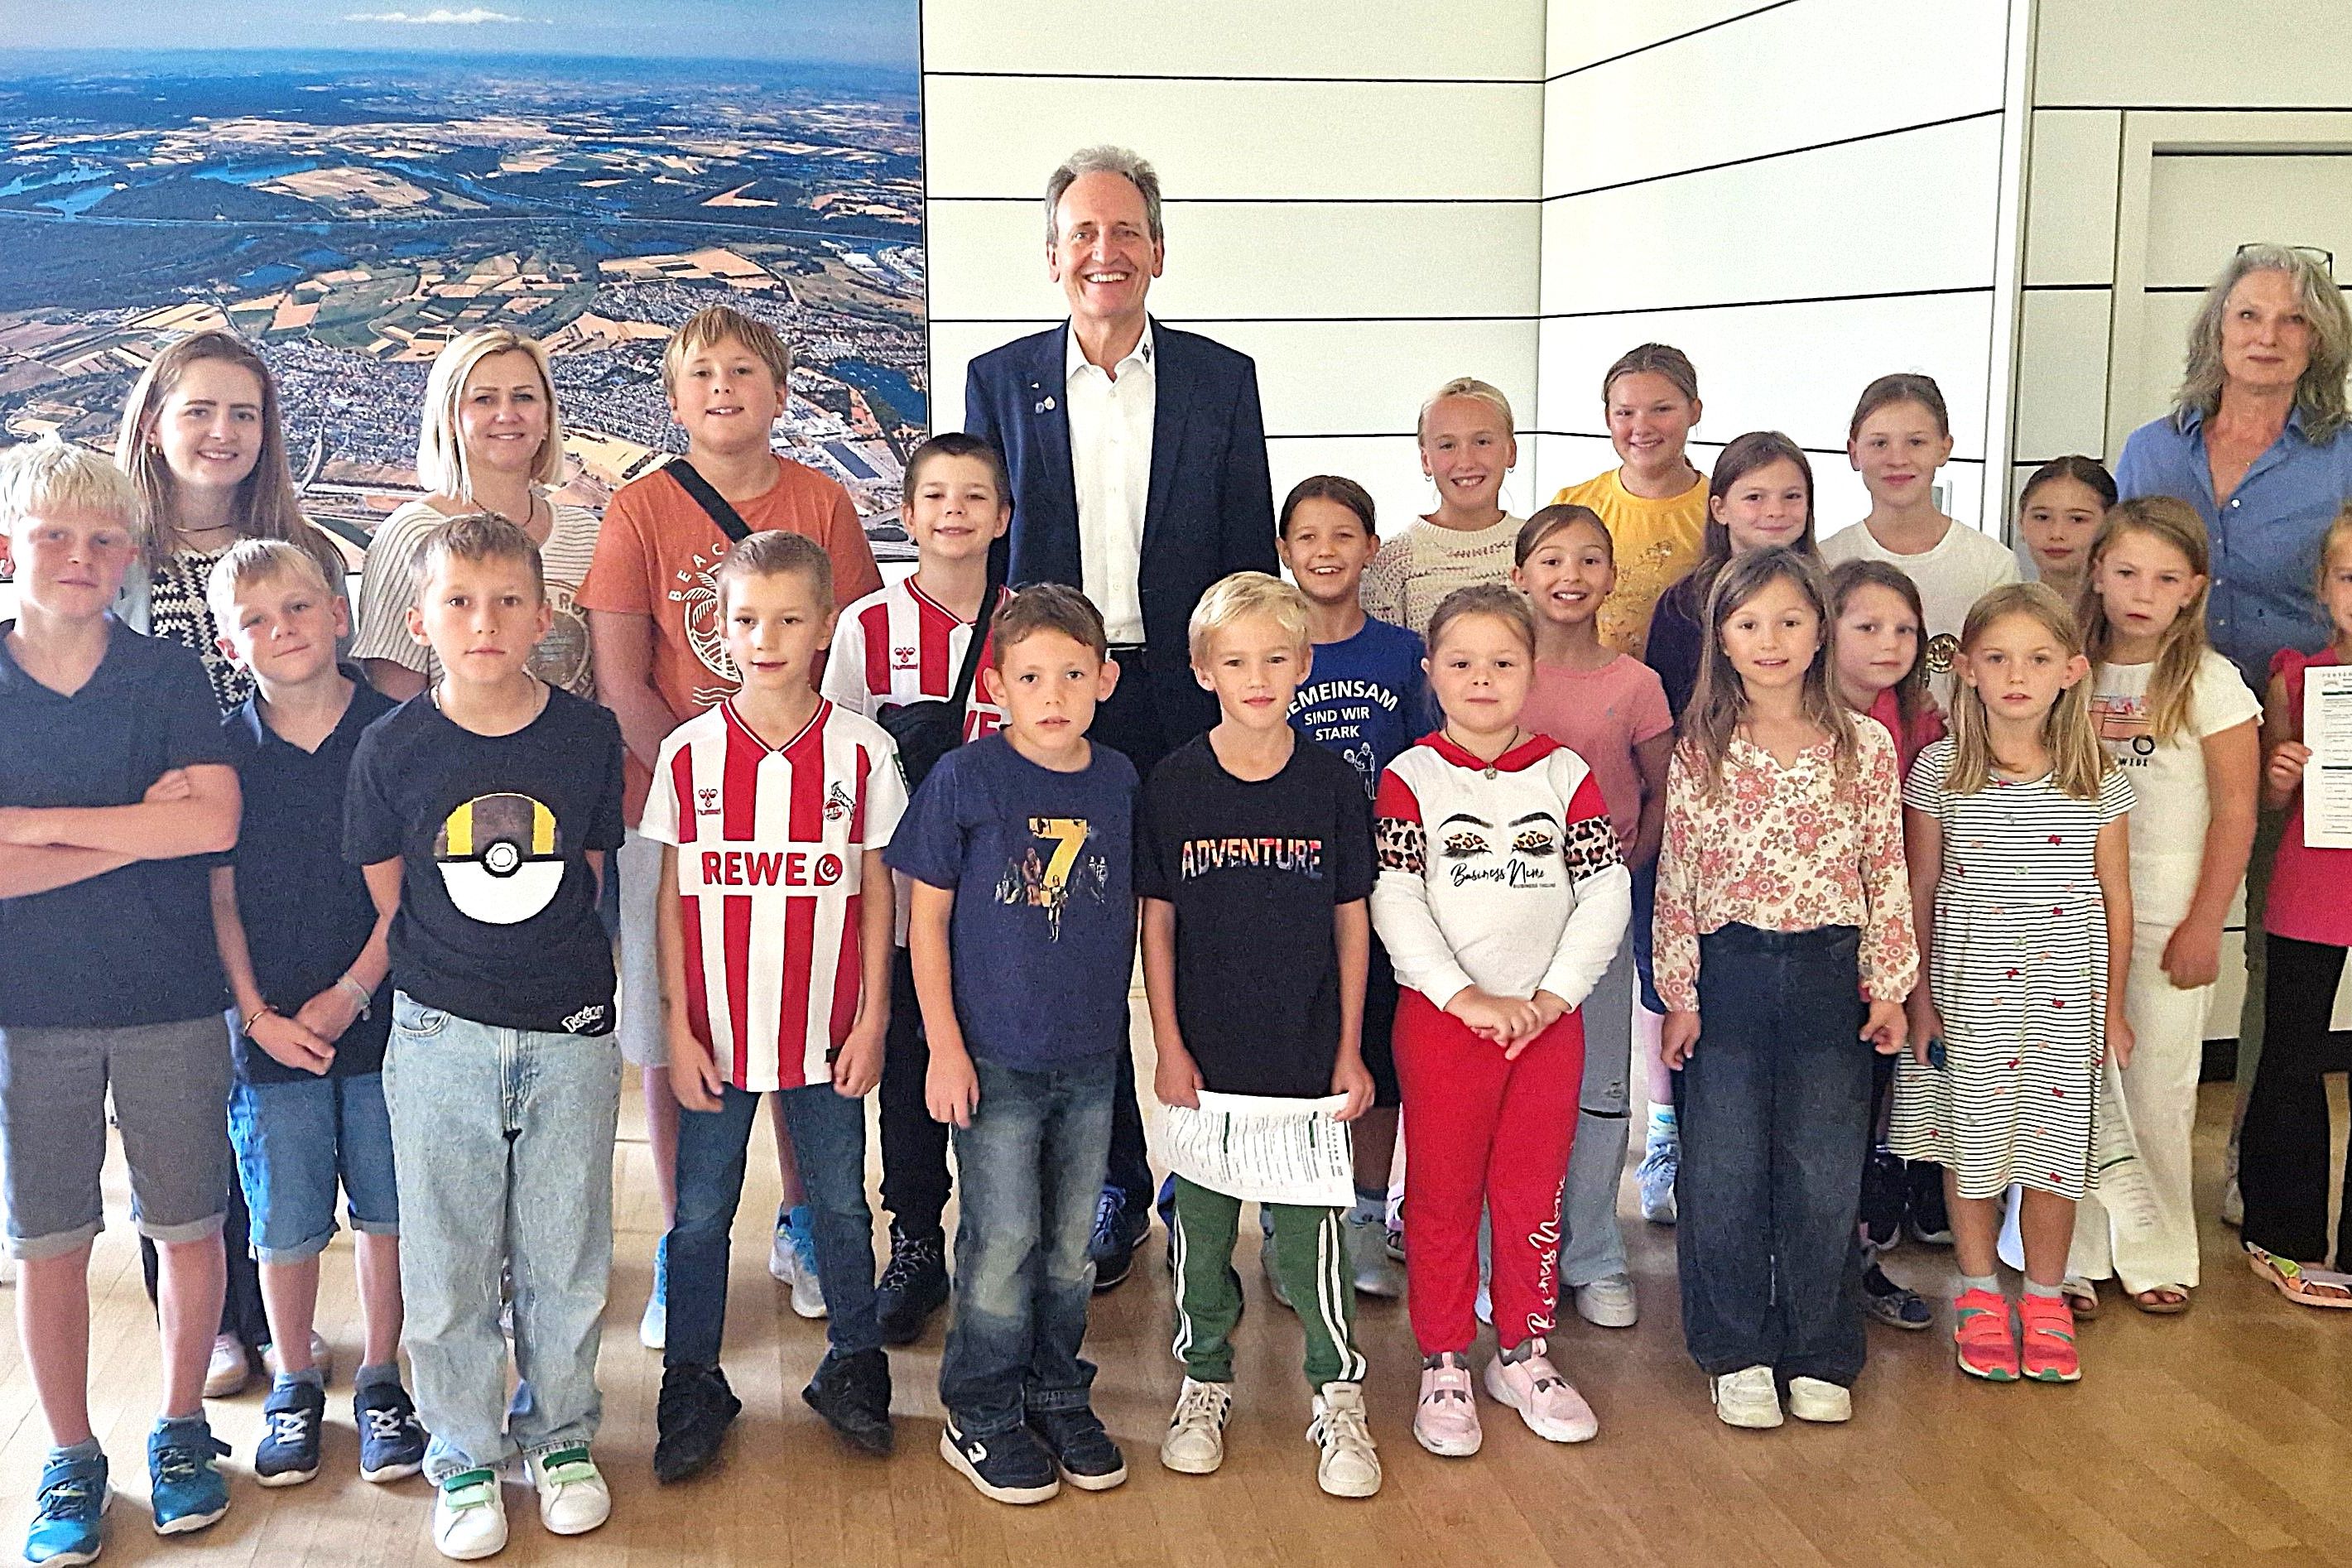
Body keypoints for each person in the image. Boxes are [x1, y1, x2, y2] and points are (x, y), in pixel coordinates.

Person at [963, 145, 1277, 1287]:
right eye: (1083, 234)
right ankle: (1114, 1179)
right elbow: (987, 556)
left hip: (1182, 693)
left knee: (1198, 938)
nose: (1106, 252)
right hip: (1056, 706)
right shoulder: (1000, 379)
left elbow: (1250, 550)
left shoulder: (1219, 377)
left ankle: (1213, 1177)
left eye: (1126, 231)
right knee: (1077, 934)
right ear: (1053, 258)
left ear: (1158, 247)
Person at [579, 304, 883, 1346]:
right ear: (673, 398)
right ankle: (683, 1238)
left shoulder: (823, 500)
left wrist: (780, 783)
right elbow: (622, 680)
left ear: (779, 390)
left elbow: (848, 660)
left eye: (743, 369)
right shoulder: (638, 510)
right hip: (676, 811)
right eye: (700, 372)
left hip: (810, 814)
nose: (722, 387)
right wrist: (717, 787)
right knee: (681, 1028)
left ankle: (805, 1223)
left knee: (803, 1013)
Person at [347, 515, 627, 1558]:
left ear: (544, 616)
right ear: (419, 621)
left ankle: (559, 1436)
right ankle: (463, 1451)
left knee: (566, 1253)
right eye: (459, 601)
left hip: (568, 1034)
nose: (484, 621)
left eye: (509, 599)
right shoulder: (393, 746)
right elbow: (393, 891)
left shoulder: (587, 736)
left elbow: (588, 871)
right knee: (450, 1257)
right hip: (439, 1035)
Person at [0, 439, 243, 1562]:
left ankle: (182, 1423)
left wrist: (40, 828)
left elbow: (210, 826)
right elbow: (163, 829)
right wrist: (124, 830)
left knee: (186, 1226)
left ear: (131, 554)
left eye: (103, 539)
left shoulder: (166, 676)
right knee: (51, 1242)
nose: (79, 556)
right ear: (11, 545)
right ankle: (70, 1450)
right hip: (27, 1008)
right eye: (55, 535)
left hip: (169, 995)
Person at [646, 532, 907, 1483]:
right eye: (747, 618)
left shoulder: (862, 749)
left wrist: (875, 1014)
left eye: (790, 618)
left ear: (824, 626)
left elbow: (878, 890)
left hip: (828, 1032)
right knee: (701, 1214)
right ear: (720, 626)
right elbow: (672, 899)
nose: (767, 637)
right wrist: (674, 1025)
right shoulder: (689, 753)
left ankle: (854, 1361)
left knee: (840, 1204)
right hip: (715, 1037)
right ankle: (692, 1378)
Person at [115, 326, 343, 1392]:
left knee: (259, 1082)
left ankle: (266, 1311)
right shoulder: (108, 553)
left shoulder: (304, 548)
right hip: (145, 863)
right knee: (175, 1097)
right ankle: (199, 1320)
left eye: (244, 414)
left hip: (270, 855)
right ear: (155, 422)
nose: (221, 432)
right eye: (199, 409)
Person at [2114, 243, 2352, 1224]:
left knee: (2277, 957)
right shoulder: (2153, 448)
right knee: (2132, 933)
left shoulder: (2343, 452)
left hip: (2301, 741)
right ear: (2217, 328)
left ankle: (2256, 1159)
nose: (2268, 337)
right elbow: (2117, 571)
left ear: (2319, 340)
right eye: (2250, 316)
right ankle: (2112, 1163)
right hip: (2159, 737)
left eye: (2292, 321)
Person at [1653, 549, 1916, 1431]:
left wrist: (1888, 983)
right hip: (1727, 971)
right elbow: (1679, 875)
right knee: (1724, 1167)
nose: (1771, 641)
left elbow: (1886, 867)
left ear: (1821, 632)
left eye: (1791, 622)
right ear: (1722, 638)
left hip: (1829, 970)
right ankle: (1734, 1348)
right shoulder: (1701, 747)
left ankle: (1820, 1346)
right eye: (1750, 623)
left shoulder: (1865, 743)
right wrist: (1679, 993)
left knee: (1823, 1169)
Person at [887, 585, 1138, 1506]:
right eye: (1031, 676)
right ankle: (981, 1408)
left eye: (1074, 673)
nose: (1054, 692)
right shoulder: (966, 778)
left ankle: (1056, 1387)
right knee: (1001, 1240)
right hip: (991, 1055)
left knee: (1070, 1246)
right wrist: (943, 1048)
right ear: (996, 685)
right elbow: (928, 921)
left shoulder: (1117, 779)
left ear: (1106, 679)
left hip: (1088, 1058)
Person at [1371, 584, 1631, 1457]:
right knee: (1443, 1199)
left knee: (1531, 1195)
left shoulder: (1567, 775)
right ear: (1432, 673)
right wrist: (1463, 997)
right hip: (1446, 1026)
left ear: (1533, 670)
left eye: (1503, 662)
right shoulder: (1410, 777)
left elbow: (1604, 889)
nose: (1483, 679)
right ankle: (1445, 1357)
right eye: (1462, 662)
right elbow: (1397, 897)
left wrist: (1555, 995)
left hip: (1548, 1028)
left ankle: (1522, 1349)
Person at [1138, 572, 1383, 1498]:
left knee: (1312, 1237)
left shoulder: (1328, 784)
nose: (1257, 675)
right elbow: (1156, 921)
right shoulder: (1173, 782)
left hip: (1306, 1052)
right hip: (1205, 1056)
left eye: (1276, 659)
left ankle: (1338, 1390)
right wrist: (1167, 1041)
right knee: (1201, 1233)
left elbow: (1351, 921)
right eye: (1236, 660)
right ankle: (1205, 1377)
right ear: (1204, 670)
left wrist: (1351, 1045)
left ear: (1303, 667)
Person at [204, 540, 426, 1489]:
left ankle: (382, 1375)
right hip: (269, 1036)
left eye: (299, 609)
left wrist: (353, 993)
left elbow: (409, 892)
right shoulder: (220, 749)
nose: (281, 630)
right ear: (227, 641)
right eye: (256, 619)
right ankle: (294, 1375)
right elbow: (215, 898)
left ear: (340, 614)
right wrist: (256, 1015)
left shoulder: (396, 733)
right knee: (283, 1221)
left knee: (385, 1211)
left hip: (384, 1023)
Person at [1893, 584, 2135, 1385]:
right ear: (1966, 668)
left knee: (2051, 1154)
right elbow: (1920, 890)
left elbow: (2115, 896)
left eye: (2036, 659)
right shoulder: (1939, 769)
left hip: (2062, 993)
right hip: (1967, 990)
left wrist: (2114, 1008)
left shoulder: (2094, 772)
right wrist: (1919, 998)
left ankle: (2043, 1294)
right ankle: (1977, 1292)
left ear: (2071, 670)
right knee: (1973, 1148)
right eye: (1996, 659)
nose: (2016, 676)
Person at [2036, 500, 2256, 1316]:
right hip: (2067, 908)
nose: (2141, 592)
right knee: (2070, 1083)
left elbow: (2236, 810)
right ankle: (2071, 1254)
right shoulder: (2065, 667)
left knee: (2159, 1083)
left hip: (2169, 914)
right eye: (2126, 572)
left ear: (2194, 590)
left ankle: (2155, 1248)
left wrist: (2207, 922)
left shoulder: (2210, 681)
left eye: (2165, 579)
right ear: (2096, 572)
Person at [821, 431, 1012, 1344]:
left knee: (1001, 1067)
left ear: (1003, 517)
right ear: (906, 514)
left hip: (1006, 900)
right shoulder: (866, 625)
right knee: (907, 1070)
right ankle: (914, 1236)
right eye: (935, 496)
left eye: (975, 497)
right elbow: (838, 755)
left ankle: (998, 1238)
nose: (954, 512)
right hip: (900, 897)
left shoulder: (1032, 623)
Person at [1637, 430, 1821, 1227]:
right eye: (1753, 496)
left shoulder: (1829, 588)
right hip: (1707, 817)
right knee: (1678, 994)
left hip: (1807, 841)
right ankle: (1674, 1133)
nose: (1773, 511)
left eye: (1790, 496)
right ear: (1717, 509)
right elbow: (1667, 717)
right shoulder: (1683, 605)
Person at [1512, 504, 1671, 1329]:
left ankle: (1593, 1250)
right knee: (1515, 1086)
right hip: (1502, 916)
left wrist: (1618, 878)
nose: (1569, 576)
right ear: (1519, 577)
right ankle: (1515, 1252)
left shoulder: (1634, 684)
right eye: (1550, 560)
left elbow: (1656, 791)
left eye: (1588, 560)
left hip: (1599, 914)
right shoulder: (1501, 670)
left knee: (1601, 1084)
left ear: (1612, 577)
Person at [1273, 475, 1422, 1293]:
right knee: (1293, 1052)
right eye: (1307, 536)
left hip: (1384, 893)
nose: (1325, 551)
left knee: (1376, 1059)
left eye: (1342, 535)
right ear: (1284, 550)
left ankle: (1367, 1210)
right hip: (1289, 894)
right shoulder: (1268, 649)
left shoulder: (1403, 655)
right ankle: (1293, 1213)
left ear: (1372, 547)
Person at [1824, 557, 1946, 1332]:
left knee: (1872, 1107)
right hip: (1810, 940)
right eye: (1866, 626)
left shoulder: (1917, 720)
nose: (1888, 643)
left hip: (1887, 938)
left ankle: (1858, 1260)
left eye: (1904, 629)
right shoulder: (1799, 719)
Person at [351, 328, 602, 701]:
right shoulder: (411, 535)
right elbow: (395, 707)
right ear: (450, 419)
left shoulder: (586, 535)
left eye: (524, 397)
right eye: (484, 399)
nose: (507, 414)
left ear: (547, 418)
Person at [2239, 504, 2352, 1306]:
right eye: (2351, 576)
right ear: (2323, 586)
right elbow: (2272, 798)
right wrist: (2280, 773)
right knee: (2291, 1051)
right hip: (2312, 879)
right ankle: (2284, 1233)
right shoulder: (2296, 675)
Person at [1820, 373, 2021, 705]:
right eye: (1879, 443)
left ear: (1945, 448)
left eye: (1916, 442)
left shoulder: (1991, 565)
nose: (1897, 459)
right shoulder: (1826, 560)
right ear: (1854, 453)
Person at [1546, 344, 1708, 657]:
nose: (1642, 427)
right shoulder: (1573, 506)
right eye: (1625, 413)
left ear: (1694, 411)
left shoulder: (1721, 511)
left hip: (1691, 698)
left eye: (1661, 410)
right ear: (1608, 418)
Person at [1360, 378, 1525, 637]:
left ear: (1511, 451)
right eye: (1448, 445)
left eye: (1482, 442)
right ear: (1426, 460)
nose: (1466, 461)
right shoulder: (1393, 564)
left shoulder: (1540, 549)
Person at [2015, 455, 2117, 605]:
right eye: (2042, 517)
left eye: (2077, 519)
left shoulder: (2134, 616)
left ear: (2111, 523)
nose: (2057, 534)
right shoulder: (2006, 616)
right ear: (2021, 522)